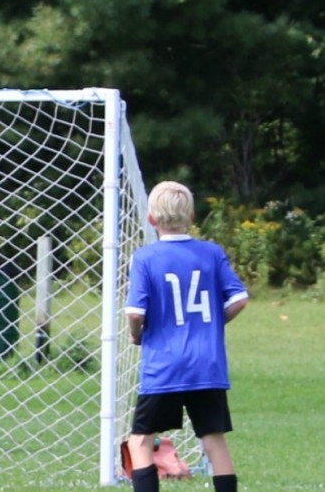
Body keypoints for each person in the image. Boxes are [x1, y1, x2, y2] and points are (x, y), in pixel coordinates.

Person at [124, 181, 248, 492]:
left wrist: (136, 335)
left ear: (152, 219)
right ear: (191, 215)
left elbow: (136, 313)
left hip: (164, 365)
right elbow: (239, 298)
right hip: (207, 364)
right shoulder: (211, 252)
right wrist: (214, 324)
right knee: (213, 439)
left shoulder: (145, 257)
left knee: (140, 440)